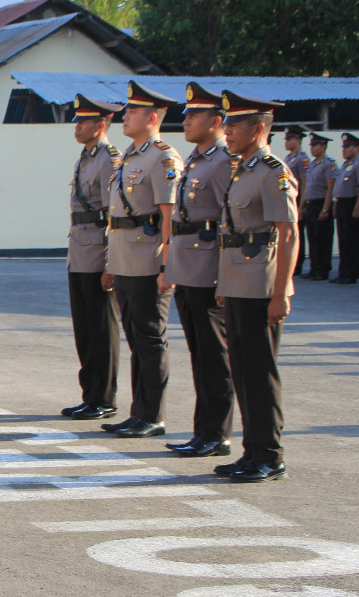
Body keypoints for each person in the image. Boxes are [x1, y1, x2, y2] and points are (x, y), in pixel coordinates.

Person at [212, 91, 298, 483]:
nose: (226, 131)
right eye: (226, 124)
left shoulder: (271, 171)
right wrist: (223, 283)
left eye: (234, 125)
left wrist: (281, 293)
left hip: (262, 283)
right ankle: (251, 451)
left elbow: (288, 233)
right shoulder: (241, 169)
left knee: (261, 373)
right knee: (243, 370)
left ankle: (269, 454)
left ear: (258, 128)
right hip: (237, 281)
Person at [100, 81, 182, 440]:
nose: (125, 115)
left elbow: (170, 216)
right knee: (135, 338)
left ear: (152, 117)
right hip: (125, 259)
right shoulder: (130, 157)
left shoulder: (163, 157)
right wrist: (110, 263)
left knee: (150, 339)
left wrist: (168, 266)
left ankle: (154, 415)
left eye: (132, 111)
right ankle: (138, 413)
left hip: (149, 262)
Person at [162, 83, 235, 458]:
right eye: (186, 114)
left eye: (194, 115)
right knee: (199, 354)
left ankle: (217, 434)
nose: (186, 121)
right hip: (189, 266)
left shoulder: (223, 161)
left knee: (214, 355)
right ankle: (202, 430)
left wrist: (225, 274)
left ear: (217, 120)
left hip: (209, 268)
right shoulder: (197, 158)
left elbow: (230, 220)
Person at [60, 94, 122, 421]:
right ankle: (89, 395)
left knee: (101, 327)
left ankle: (105, 397)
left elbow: (115, 214)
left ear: (100, 126)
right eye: (76, 120)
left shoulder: (109, 160)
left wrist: (112, 262)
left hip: (99, 251)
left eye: (83, 121)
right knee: (84, 327)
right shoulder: (84, 158)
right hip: (80, 250)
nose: (77, 126)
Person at [330, 133, 359, 284]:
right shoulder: (346, 165)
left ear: (356, 148)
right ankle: (343, 272)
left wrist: (357, 207)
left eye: (347, 147)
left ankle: (351, 273)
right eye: (343, 147)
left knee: (353, 241)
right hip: (342, 205)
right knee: (344, 240)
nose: (344, 150)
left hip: (352, 204)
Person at [303, 131, 336, 280]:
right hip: (311, 205)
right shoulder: (312, 164)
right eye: (311, 145)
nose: (312, 148)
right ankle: (314, 267)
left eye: (315, 145)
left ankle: (323, 269)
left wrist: (326, 208)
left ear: (323, 146)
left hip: (321, 203)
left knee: (323, 238)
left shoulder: (329, 164)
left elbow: (330, 187)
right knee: (313, 237)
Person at [282, 128, 309, 276]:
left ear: (298, 140)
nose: (286, 142)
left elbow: (304, 183)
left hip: (297, 198)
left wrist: (301, 205)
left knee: (297, 234)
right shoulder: (287, 158)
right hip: (287, 198)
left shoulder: (301, 159)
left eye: (289, 139)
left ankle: (298, 264)